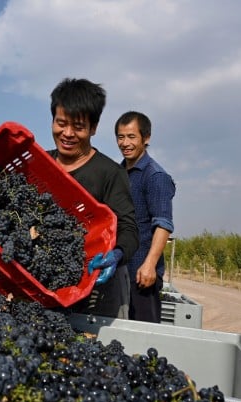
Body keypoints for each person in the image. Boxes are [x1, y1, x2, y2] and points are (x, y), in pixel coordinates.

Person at [47, 78, 139, 318]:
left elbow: (129, 228)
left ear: (94, 128)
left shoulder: (110, 173)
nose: (67, 133)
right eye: (61, 123)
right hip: (43, 285)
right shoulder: (39, 163)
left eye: (78, 126)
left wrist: (117, 253)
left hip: (93, 290)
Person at [115, 111, 176, 323]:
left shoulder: (155, 176)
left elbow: (163, 224)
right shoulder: (118, 172)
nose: (125, 143)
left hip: (142, 273)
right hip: (119, 271)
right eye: (121, 137)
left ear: (146, 138)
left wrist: (150, 264)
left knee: (145, 336)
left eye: (131, 137)